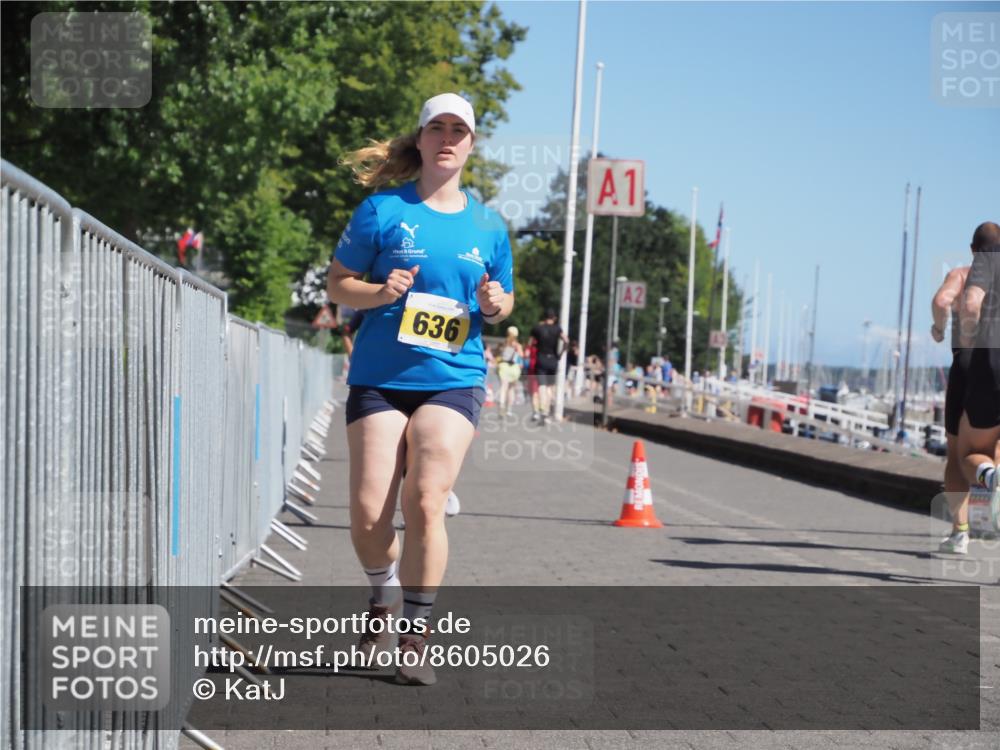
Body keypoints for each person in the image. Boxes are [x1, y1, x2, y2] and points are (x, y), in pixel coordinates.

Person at [326, 93, 514, 686]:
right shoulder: (381, 210)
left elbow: (504, 300)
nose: (449, 138)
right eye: (439, 128)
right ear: (423, 138)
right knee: (367, 515)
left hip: (453, 379)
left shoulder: (489, 224)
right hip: (381, 377)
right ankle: (382, 598)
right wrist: (380, 294)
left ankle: (415, 636)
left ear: (472, 145)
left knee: (427, 499)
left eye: (460, 129)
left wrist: (495, 303)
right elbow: (338, 286)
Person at [958, 225, 1000, 536]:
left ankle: (988, 476)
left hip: (991, 364)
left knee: (969, 454)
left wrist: (970, 338)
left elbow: (971, 304)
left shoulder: (987, 261)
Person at [529, 308, 568, 423]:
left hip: (541, 359)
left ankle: (542, 409)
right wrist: (560, 354)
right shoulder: (557, 329)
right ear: (554, 318)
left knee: (542, 385)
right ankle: (546, 411)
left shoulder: (537, 328)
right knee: (550, 387)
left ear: (544, 317)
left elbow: (530, 343)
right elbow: (566, 341)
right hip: (553, 359)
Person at [496, 326, 524, 417]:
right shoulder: (517, 345)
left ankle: (501, 406)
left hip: (503, 366)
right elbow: (521, 355)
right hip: (514, 367)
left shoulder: (503, 344)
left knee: (503, 387)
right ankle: (509, 410)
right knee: (511, 389)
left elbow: (498, 354)